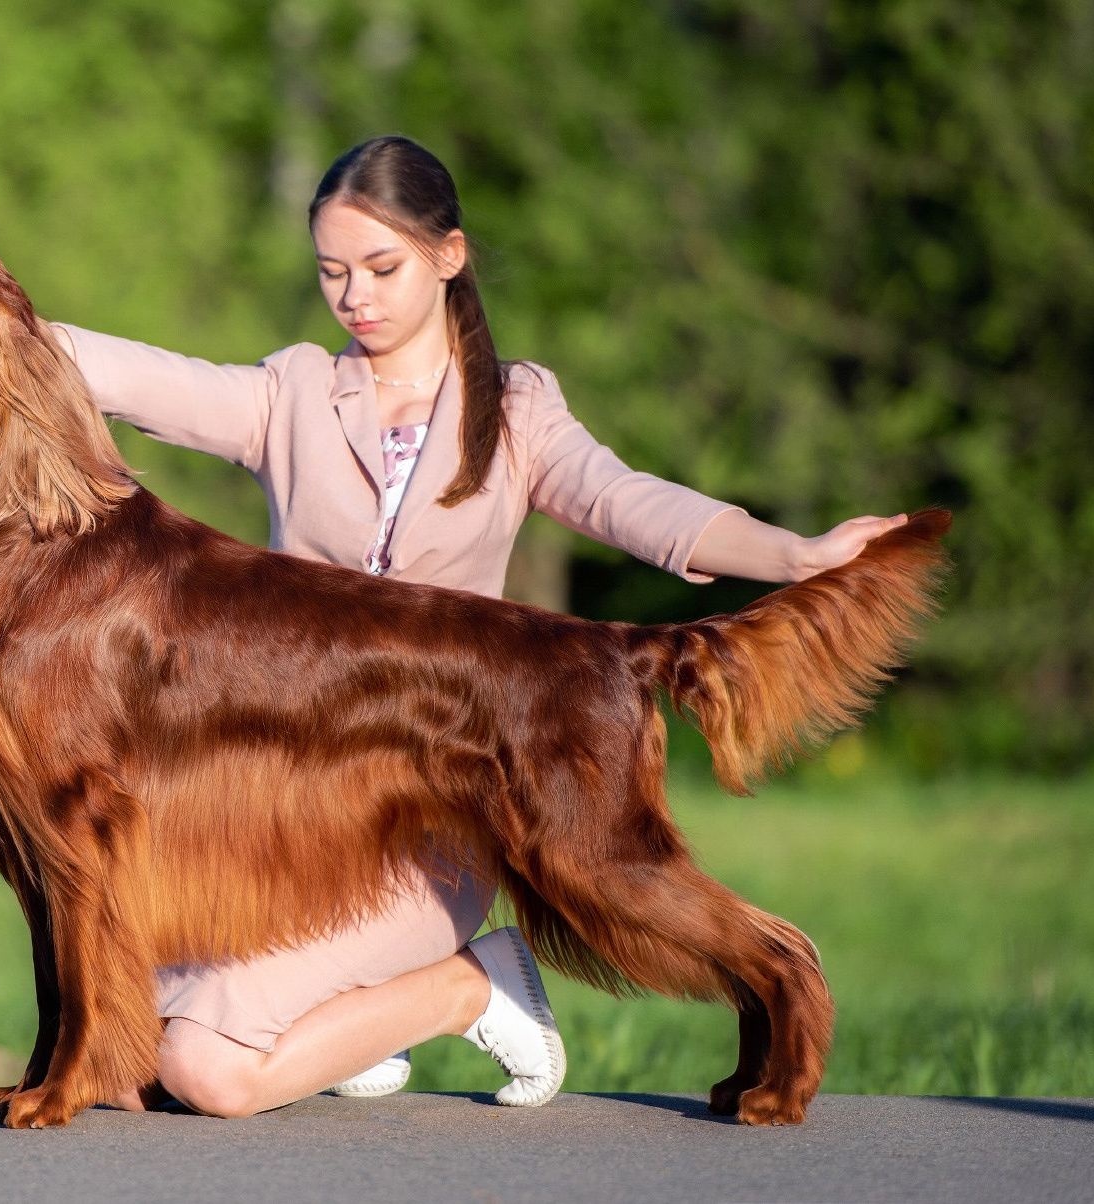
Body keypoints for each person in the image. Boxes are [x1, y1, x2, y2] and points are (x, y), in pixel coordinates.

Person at [48, 135, 906, 1119]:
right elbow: (138, 374)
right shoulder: (288, 396)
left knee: (205, 1072)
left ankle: (471, 986)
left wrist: (793, 557)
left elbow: (630, 502)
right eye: (330, 273)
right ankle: (355, 1017)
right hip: (285, 829)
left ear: (448, 255)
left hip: (434, 827)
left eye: (381, 268)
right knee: (117, 1054)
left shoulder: (517, 411)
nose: (353, 298)